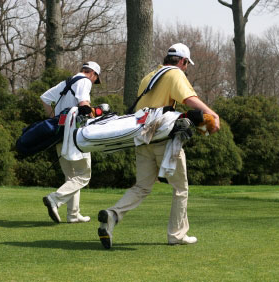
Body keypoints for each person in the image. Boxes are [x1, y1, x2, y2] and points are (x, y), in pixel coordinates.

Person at [97, 43, 220, 249]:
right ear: (182, 61)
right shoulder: (175, 74)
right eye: (186, 64)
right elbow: (189, 99)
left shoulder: (148, 76)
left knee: (142, 187)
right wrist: (213, 115)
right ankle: (177, 235)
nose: (186, 68)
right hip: (163, 139)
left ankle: (112, 214)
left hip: (143, 138)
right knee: (180, 188)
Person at [41, 61, 101, 224]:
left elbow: (45, 98)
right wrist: (95, 115)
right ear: (93, 74)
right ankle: (55, 199)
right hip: (76, 135)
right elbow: (83, 105)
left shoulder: (66, 82)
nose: (94, 82)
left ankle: (73, 214)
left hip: (60, 134)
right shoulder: (85, 81)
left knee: (71, 176)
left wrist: (53, 118)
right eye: (96, 79)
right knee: (84, 175)